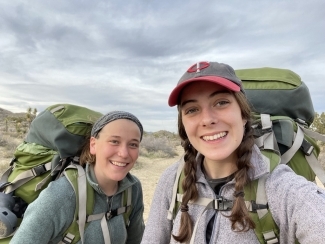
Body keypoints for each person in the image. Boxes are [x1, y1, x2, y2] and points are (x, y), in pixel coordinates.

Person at [141, 61, 325, 244]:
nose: (207, 119)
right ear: (184, 125)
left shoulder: (281, 188)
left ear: (244, 115)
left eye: (221, 102)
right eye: (192, 109)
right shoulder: (173, 181)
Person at [11, 111, 145, 244]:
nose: (124, 153)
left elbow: (136, 239)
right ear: (93, 145)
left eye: (133, 144)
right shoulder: (61, 196)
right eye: (114, 141)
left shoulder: (132, 189)